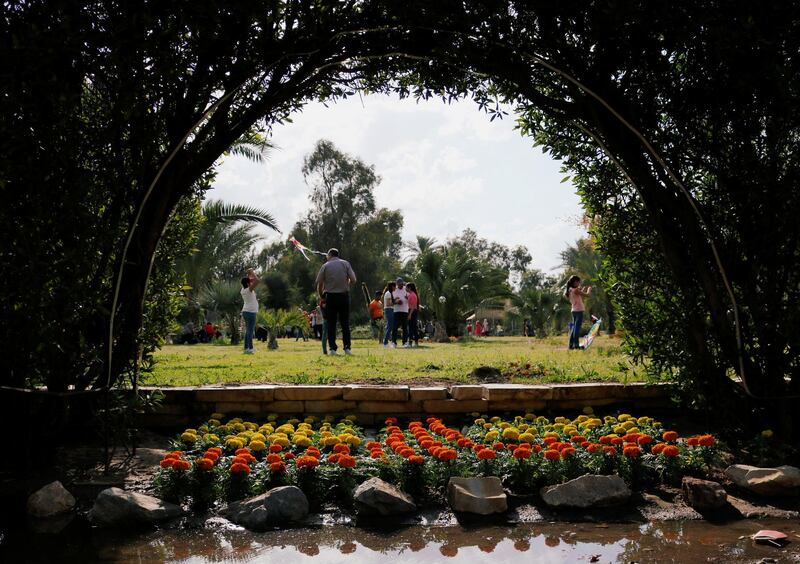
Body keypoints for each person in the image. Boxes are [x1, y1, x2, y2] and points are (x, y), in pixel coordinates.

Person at [315, 248, 356, 355]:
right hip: (344, 296)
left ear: (330, 255)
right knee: (345, 323)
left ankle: (332, 349)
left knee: (331, 324)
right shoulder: (345, 264)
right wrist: (346, 284)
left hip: (331, 297)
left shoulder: (325, 266)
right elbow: (354, 279)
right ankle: (347, 348)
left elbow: (319, 284)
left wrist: (322, 297)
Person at [566, 275, 592, 350]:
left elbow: (580, 298)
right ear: (575, 282)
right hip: (579, 310)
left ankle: (571, 345)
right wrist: (589, 289)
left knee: (574, 328)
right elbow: (588, 295)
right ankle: (576, 345)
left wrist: (582, 290)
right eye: (578, 282)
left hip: (574, 310)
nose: (579, 283)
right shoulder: (576, 290)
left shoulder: (570, 290)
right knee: (577, 329)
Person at [240, 268, 260, 354]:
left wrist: (249, 275)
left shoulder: (243, 290)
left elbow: (250, 281)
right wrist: (252, 272)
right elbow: (257, 280)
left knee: (248, 330)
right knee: (250, 331)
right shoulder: (249, 290)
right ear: (248, 283)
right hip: (251, 312)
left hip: (245, 311)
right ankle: (250, 348)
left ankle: (246, 347)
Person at [392, 277, 410, 347]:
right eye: (399, 284)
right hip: (396, 311)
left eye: (402, 284)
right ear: (397, 284)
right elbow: (392, 301)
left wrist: (407, 298)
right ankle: (394, 342)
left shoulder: (406, 289)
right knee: (395, 327)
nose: (401, 285)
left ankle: (405, 342)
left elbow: (411, 299)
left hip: (405, 311)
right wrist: (397, 302)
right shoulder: (394, 290)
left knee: (405, 327)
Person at [381, 281, 397, 348]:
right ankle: (385, 343)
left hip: (389, 310)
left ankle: (386, 341)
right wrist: (396, 302)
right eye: (394, 286)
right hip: (389, 310)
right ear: (392, 287)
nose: (395, 288)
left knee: (388, 326)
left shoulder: (390, 293)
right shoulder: (388, 293)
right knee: (390, 327)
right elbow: (388, 304)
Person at [406, 282, 420, 347]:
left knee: (412, 328)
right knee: (412, 327)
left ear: (410, 288)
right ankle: (413, 342)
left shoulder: (413, 295)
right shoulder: (410, 295)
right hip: (411, 311)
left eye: (407, 287)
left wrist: (410, 314)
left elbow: (413, 306)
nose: (406, 288)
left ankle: (412, 343)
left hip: (412, 311)